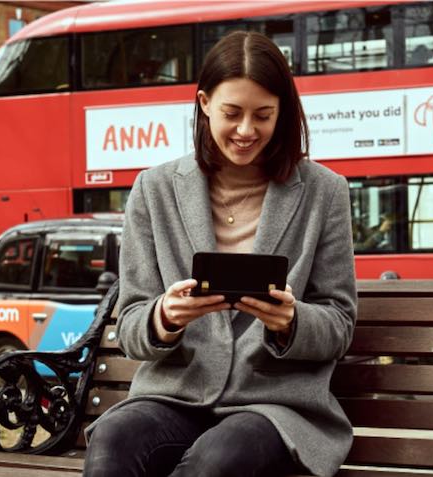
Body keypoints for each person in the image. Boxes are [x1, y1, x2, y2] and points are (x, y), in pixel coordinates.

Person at [83, 31, 357, 477]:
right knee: (115, 438)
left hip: (274, 408)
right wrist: (165, 316)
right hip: (175, 396)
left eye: (263, 116)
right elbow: (131, 325)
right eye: (232, 113)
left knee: (218, 459)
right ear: (205, 103)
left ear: (282, 113)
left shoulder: (325, 193)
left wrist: (291, 322)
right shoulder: (153, 190)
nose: (247, 131)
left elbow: (339, 324)